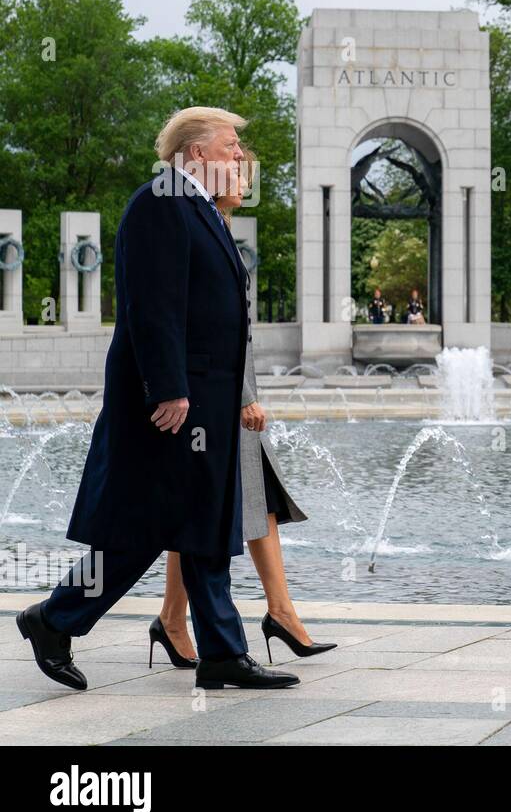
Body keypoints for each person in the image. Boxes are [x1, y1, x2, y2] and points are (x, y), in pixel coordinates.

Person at [15, 107, 299, 691]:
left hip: (204, 399)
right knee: (146, 528)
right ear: (195, 153)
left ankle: (220, 651)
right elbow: (152, 305)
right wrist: (168, 387)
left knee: (198, 525)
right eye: (230, 144)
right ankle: (53, 619)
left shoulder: (199, 208)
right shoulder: (160, 202)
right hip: (173, 402)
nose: (240, 154)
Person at [152, 150, 336, 667]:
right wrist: (246, 398)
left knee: (245, 503)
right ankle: (256, 618)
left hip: (225, 397)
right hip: (218, 401)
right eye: (238, 173)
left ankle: (258, 613)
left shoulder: (217, 229)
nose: (243, 183)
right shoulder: (191, 223)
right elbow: (204, 326)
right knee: (212, 506)